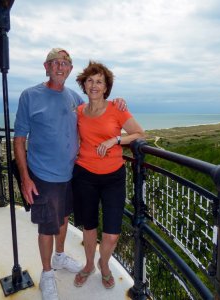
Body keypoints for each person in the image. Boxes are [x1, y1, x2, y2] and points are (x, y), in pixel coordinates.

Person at [13, 48, 126, 300]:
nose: (60, 67)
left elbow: (98, 108)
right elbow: (19, 139)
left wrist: (118, 102)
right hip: (42, 174)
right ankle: (46, 274)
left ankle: (60, 256)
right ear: (46, 66)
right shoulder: (30, 96)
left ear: (70, 69)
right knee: (46, 226)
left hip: (71, 174)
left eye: (65, 63)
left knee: (63, 219)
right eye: (55, 63)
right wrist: (25, 177)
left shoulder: (74, 98)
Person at [72, 61, 145, 289]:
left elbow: (140, 133)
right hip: (84, 174)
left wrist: (116, 139)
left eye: (99, 81)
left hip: (113, 177)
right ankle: (89, 265)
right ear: (84, 85)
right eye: (90, 80)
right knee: (89, 227)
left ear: (106, 87)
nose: (94, 85)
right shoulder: (79, 112)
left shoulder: (117, 108)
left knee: (111, 234)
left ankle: (104, 264)